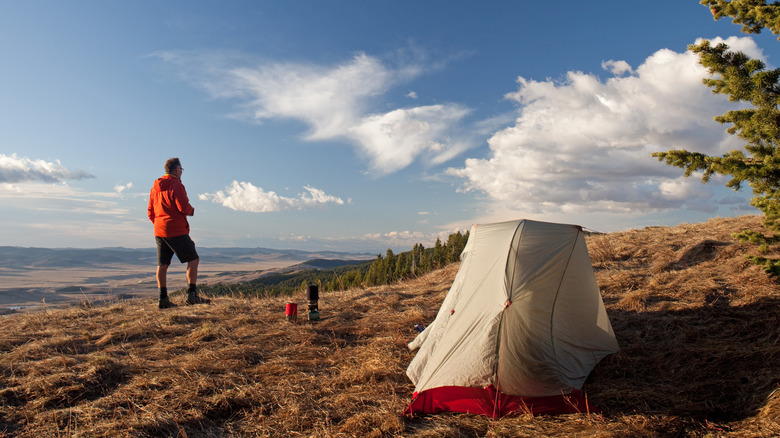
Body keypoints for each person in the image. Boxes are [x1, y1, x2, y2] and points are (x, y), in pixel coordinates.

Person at [147, 157, 210, 308]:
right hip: (175, 229)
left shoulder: (155, 187)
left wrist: (159, 224)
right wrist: (191, 211)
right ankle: (192, 295)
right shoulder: (176, 185)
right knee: (193, 259)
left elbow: (150, 211)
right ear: (176, 169)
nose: (182, 172)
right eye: (181, 169)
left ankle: (163, 299)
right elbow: (183, 206)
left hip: (159, 230)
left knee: (162, 264)